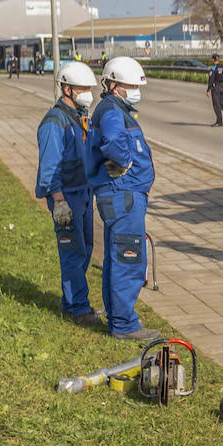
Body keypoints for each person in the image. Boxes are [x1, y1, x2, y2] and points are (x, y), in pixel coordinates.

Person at [87, 56, 161, 341]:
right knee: (128, 258)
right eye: (130, 85)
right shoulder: (112, 111)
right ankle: (124, 325)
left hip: (120, 194)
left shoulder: (115, 107)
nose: (135, 90)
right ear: (114, 84)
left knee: (116, 258)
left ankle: (116, 318)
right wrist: (125, 160)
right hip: (124, 194)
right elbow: (115, 142)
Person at [36, 61, 100, 326]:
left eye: (89, 87)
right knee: (72, 252)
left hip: (82, 193)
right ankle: (78, 309)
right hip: (66, 197)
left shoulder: (78, 116)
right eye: (83, 88)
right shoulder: (54, 122)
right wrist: (58, 201)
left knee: (84, 248)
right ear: (67, 89)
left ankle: (71, 302)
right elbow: (50, 168)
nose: (88, 93)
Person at [206, 53, 223, 127]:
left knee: (216, 105)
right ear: (219, 59)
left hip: (216, 87)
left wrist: (208, 89)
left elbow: (211, 79)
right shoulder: (222, 67)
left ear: (213, 60)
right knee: (222, 104)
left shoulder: (213, 68)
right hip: (222, 86)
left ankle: (219, 121)